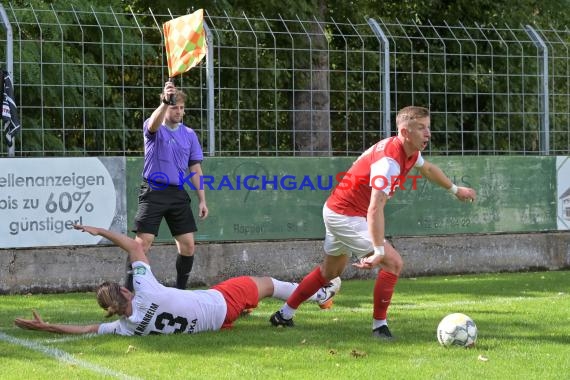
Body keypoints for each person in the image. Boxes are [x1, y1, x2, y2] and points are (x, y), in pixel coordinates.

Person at [269, 106, 477, 340]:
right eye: (421, 128)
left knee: (330, 271)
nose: (428, 133)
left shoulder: (407, 150)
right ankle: (379, 327)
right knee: (393, 263)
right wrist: (378, 250)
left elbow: (427, 169)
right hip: (346, 215)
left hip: (337, 209)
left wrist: (456, 189)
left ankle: (283, 315)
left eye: (428, 127)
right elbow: (375, 208)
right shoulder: (388, 162)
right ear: (405, 132)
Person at [14, 224, 341, 336]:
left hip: (215, 322)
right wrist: (98, 231)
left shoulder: (126, 327)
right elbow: (134, 246)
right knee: (266, 283)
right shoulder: (144, 289)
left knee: (236, 298)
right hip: (220, 302)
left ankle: (311, 298)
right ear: (125, 291)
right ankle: (319, 295)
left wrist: (48, 327)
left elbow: (84, 329)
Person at [129, 80, 208, 291]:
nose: (179, 112)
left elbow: (195, 169)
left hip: (176, 193)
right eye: (175, 107)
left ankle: (180, 292)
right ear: (166, 108)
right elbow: (153, 124)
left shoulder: (190, 135)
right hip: (153, 191)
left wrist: (202, 199)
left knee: (188, 246)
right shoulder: (153, 127)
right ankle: (128, 291)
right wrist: (165, 101)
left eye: (181, 108)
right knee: (141, 245)